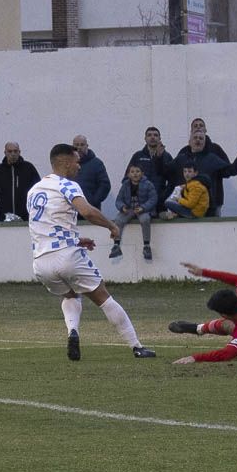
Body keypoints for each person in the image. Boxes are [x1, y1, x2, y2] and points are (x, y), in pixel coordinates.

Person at [26, 143, 157, 361]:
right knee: (103, 298)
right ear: (66, 162)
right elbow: (87, 212)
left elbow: (47, 225)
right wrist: (112, 226)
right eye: (77, 162)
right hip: (67, 256)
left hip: (41, 262)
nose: (79, 166)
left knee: (70, 294)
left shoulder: (34, 190)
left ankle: (73, 332)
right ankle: (137, 346)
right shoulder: (67, 185)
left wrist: (77, 239)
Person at [175, 119, 237, 215]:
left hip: (212, 202)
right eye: (195, 126)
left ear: (205, 130)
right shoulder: (184, 153)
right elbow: (174, 173)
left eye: (201, 125)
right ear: (191, 133)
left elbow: (229, 170)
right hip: (188, 201)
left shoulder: (215, 151)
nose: (198, 127)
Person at [110, 164, 158, 260]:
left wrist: (143, 207)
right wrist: (122, 207)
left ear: (142, 173)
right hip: (129, 209)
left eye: (137, 171)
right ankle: (116, 245)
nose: (135, 174)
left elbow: (153, 199)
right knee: (118, 220)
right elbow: (119, 200)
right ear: (128, 174)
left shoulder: (148, 184)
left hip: (143, 209)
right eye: (132, 172)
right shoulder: (125, 185)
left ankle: (146, 245)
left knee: (145, 219)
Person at [128, 126, 177, 215]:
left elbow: (173, 180)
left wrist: (164, 195)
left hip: (160, 201)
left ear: (160, 138)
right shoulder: (138, 156)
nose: (152, 137)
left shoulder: (167, 157)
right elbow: (127, 177)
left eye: (155, 135)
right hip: (140, 200)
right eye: (149, 135)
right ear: (145, 138)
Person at [0, 141, 41, 222]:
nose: (13, 154)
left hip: (26, 216)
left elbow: (38, 189)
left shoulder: (28, 168)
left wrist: (32, 207)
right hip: (5, 216)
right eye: (10, 151)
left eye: (15, 151)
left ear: (19, 152)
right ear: (5, 153)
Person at [71, 135, 110, 210]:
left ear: (87, 146)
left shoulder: (96, 163)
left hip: (91, 210)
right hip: (71, 210)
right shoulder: (68, 164)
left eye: (82, 145)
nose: (79, 148)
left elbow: (105, 185)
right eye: (76, 145)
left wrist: (93, 202)